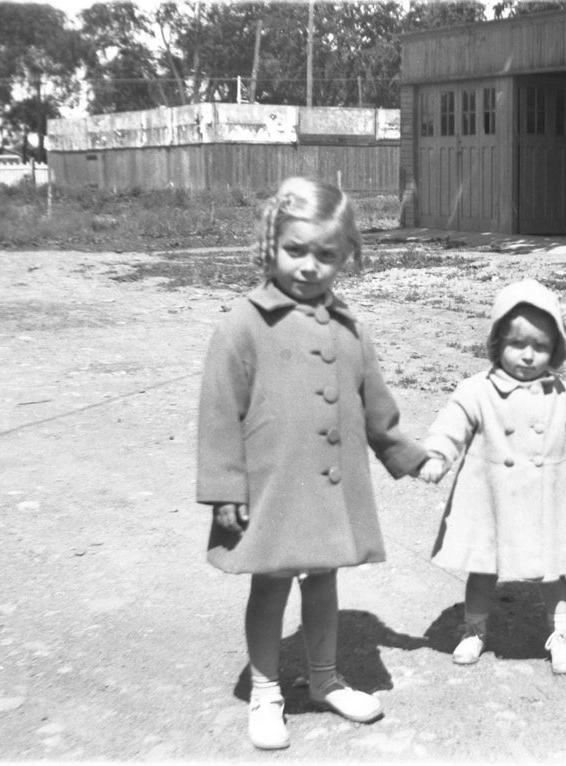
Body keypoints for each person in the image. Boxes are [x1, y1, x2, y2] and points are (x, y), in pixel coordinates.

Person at [196, 177, 427, 750]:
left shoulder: (351, 329)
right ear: (270, 246)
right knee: (271, 585)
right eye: (295, 250)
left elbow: (377, 406)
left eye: (325, 254)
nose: (308, 266)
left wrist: (407, 455)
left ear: (347, 256)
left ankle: (324, 679)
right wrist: (226, 486)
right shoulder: (243, 325)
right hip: (272, 487)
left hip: (329, 488)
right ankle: (266, 689)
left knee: (324, 582)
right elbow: (220, 411)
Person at [418, 279, 566, 675]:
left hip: (545, 494)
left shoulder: (561, 393)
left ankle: (561, 632)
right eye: (517, 344)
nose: (529, 356)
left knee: (552, 568)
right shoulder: (477, 389)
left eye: (541, 346)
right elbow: (452, 425)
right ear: (497, 343)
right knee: (482, 566)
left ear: (556, 350)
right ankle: (474, 629)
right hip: (490, 494)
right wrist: (437, 455)